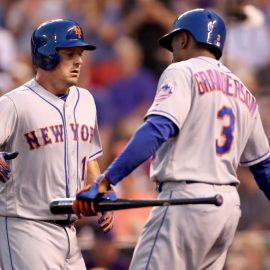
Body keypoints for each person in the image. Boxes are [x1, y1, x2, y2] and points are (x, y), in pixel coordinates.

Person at [73, 8, 270, 270]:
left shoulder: (183, 71)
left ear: (185, 39)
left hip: (185, 201)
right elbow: (263, 167)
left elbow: (157, 129)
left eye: (174, 42)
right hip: (226, 210)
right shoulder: (244, 92)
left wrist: (106, 180)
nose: (171, 51)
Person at [0, 19, 113, 270]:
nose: (79, 60)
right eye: (69, 53)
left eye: (80, 54)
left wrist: (101, 189)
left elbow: (89, 156)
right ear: (47, 56)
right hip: (26, 227)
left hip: (71, 231)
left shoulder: (86, 100)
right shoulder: (16, 103)